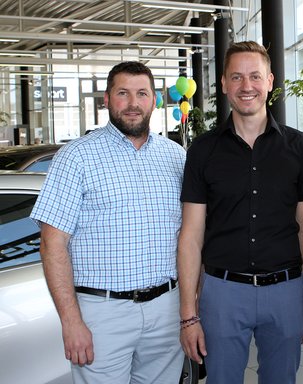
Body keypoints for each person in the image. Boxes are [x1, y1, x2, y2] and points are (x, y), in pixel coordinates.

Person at [30, 61, 186, 383]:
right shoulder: (76, 157)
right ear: (106, 99)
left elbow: (191, 234)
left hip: (167, 308)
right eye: (123, 93)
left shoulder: (177, 157)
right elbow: (52, 243)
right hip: (102, 313)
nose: (133, 103)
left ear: (154, 99)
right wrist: (71, 321)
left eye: (142, 93)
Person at [178, 41, 303, 384]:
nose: (246, 86)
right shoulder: (203, 150)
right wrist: (188, 315)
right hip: (223, 293)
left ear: (269, 81)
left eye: (255, 76)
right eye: (236, 77)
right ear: (223, 84)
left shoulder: (298, 147)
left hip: (286, 290)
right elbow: (191, 236)